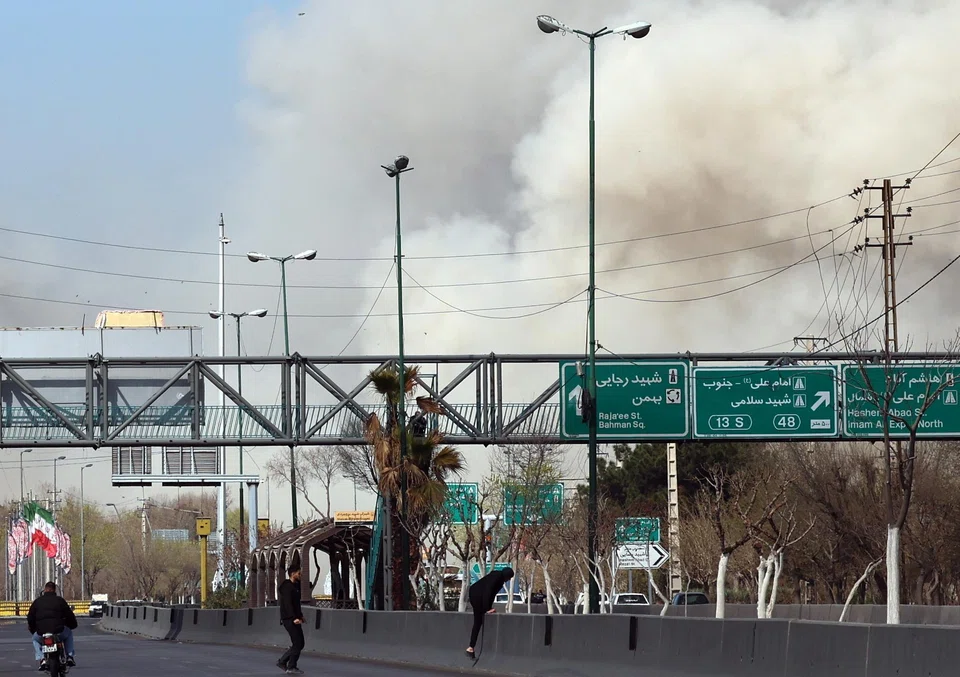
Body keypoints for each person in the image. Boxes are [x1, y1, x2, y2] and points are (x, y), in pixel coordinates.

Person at [27, 581, 78, 672]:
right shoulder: (60, 601)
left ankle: (42, 658)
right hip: (58, 631)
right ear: (54, 590)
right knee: (69, 633)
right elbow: (69, 615)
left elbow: (30, 618)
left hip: (41, 632)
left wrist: (33, 629)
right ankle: (69, 656)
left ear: (45, 590)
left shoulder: (37, 602)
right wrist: (72, 625)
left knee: (35, 639)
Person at [465, 567, 514, 659]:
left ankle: (471, 647)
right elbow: (488, 591)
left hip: (475, 594)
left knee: (478, 621)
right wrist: (487, 608)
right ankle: (471, 646)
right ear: (507, 575)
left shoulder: (498, 578)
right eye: (509, 577)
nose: (509, 580)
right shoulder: (497, 577)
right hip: (477, 595)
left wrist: (489, 607)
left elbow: (491, 595)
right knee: (478, 621)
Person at [276, 563, 305, 675]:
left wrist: (301, 616)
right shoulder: (287, 587)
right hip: (289, 619)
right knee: (297, 643)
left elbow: (296, 604)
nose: (300, 574)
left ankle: (283, 662)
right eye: (298, 572)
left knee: (300, 643)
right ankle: (291, 666)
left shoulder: (295, 586)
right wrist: (294, 618)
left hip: (296, 618)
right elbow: (288, 605)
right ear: (293, 574)